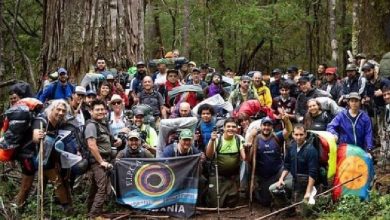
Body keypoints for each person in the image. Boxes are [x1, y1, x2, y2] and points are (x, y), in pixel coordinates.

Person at [31, 99, 73, 212]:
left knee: (44, 181)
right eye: (58, 110)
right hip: (38, 156)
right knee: (57, 180)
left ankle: (38, 203)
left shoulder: (58, 123)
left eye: (63, 111)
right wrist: (38, 136)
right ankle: (66, 206)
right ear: (52, 109)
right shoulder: (41, 121)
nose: (60, 113)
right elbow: (35, 137)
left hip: (49, 156)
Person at [84, 99, 122, 218]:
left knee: (95, 188)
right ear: (91, 111)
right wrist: (101, 161)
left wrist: (118, 140)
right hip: (98, 161)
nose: (100, 112)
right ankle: (94, 216)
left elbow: (111, 141)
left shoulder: (103, 124)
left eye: (102, 109)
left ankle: (91, 210)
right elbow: (91, 145)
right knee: (103, 189)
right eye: (97, 110)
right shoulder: (91, 125)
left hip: (105, 159)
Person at [269, 124, 319, 206]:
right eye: (296, 134)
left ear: (305, 134)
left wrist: (308, 192)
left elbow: (312, 173)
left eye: (301, 134)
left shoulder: (311, 150)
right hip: (294, 181)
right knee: (273, 189)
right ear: (292, 134)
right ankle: (288, 208)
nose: (298, 137)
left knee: (305, 210)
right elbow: (287, 165)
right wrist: (281, 179)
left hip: (306, 183)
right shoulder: (292, 147)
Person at [248, 115, 292, 207]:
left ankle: (286, 198)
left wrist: (287, 121)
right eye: (264, 125)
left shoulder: (277, 136)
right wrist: (251, 136)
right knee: (265, 202)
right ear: (261, 126)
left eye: (269, 125)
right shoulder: (256, 138)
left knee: (291, 182)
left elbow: (288, 131)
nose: (266, 128)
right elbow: (248, 154)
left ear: (272, 127)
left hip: (278, 171)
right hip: (264, 176)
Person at [205, 118, 246, 208]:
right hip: (217, 175)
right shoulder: (217, 139)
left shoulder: (239, 139)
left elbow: (244, 157)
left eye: (233, 127)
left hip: (232, 176)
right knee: (215, 204)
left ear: (237, 129)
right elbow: (208, 155)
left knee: (232, 203)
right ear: (224, 128)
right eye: (228, 126)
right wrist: (212, 141)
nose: (231, 129)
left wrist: (247, 146)